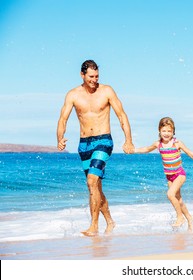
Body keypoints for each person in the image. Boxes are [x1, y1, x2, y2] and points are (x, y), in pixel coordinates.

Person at [57, 60, 134, 237]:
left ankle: (94, 226)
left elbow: (122, 115)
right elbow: (63, 119)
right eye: (91, 76)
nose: (94, 80)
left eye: (97, 76)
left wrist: (128, 140)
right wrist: (60, 138)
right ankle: (110, 221)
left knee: (91, 181)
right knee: (95, 187)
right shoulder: (73, 95)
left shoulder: (106, 91)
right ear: (82, 75)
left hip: (103, 141)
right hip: (84, 144)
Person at [133, 117, 193, 231]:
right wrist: (133, 150)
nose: (166, 133)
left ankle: (180, 217)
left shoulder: (177, 143)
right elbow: (146, 149)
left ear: (173, 131)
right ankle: (189, 218)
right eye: (164, 131)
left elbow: (190, 153)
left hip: (179, 174)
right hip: (169, 176)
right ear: (159, 131)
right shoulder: (158, 144)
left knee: (170, 194)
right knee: (178, 200)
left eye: (169, 131)